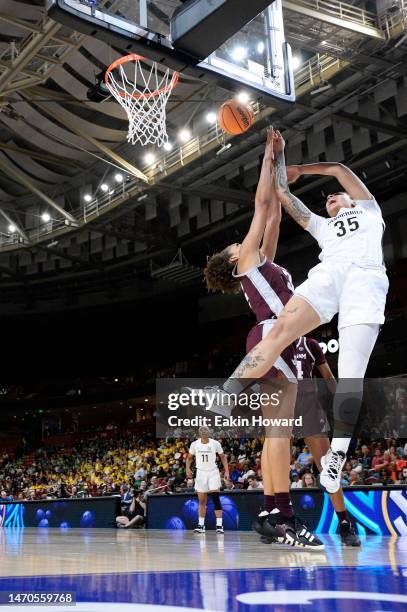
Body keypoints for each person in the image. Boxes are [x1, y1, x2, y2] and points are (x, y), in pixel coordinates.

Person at [200, 128, 388, 496]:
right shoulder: (321, 227)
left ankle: (337, 453)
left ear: (353, 200)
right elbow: (280, 198)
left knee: (351, 375)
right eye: (329, 199)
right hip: (329, 278)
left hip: (366, 283)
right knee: (282, 327)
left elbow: (336, 168)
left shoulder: (369, 210)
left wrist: (295, 164)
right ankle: (229, 391)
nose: (331, 198)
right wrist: (278, 162)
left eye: (337, 197)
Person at [200, 129, 323, 550]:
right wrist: (267, 158)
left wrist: (280, 162)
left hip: (273, 337)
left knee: (277, 433)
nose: (240, 241)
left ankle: (271, 513)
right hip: (277, 335)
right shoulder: (246, 260)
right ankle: (285, 516)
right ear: (233, 258)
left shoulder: (260, 262)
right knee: (281, 435)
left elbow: (273, 216)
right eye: (235, 244)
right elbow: (262, 204)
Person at [294, 336, 360, 546]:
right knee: (274, 463)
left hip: (308, 407)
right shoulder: (272, 336)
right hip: (281, 404)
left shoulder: (310, 344)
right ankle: (279, 520)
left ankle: (344, 524)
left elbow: (329, 378)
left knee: (327, 468)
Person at [186, 426, 229, 534]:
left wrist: (227, 471)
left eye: (206, 431)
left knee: (215, 498)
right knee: (202, 501)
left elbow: (223, 457)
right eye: (202, 432)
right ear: (199, 434)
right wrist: (187, 470)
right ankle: (201, 525)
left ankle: (219, 525)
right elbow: (189, 458)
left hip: (213, 472)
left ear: (209, 433)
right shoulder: (194, 444)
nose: (205, 433)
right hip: (200, 473)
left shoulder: (215, 443)